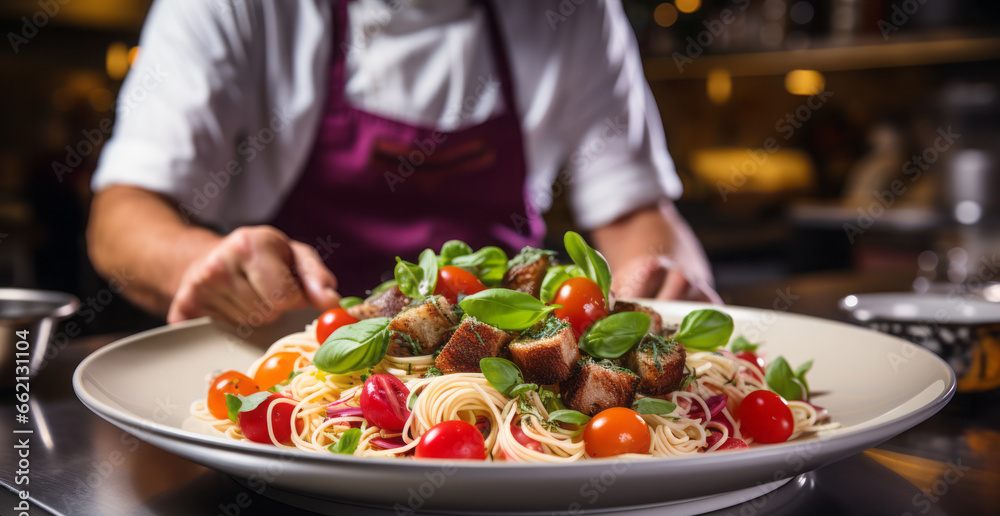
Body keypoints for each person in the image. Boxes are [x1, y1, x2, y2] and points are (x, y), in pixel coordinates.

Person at [87, 0, 716, 327]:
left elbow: (636, 211)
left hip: (507, 364)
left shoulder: (573, 12)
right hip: (299, 351)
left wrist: (666, 281)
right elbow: (123, 214)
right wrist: (200, 262)